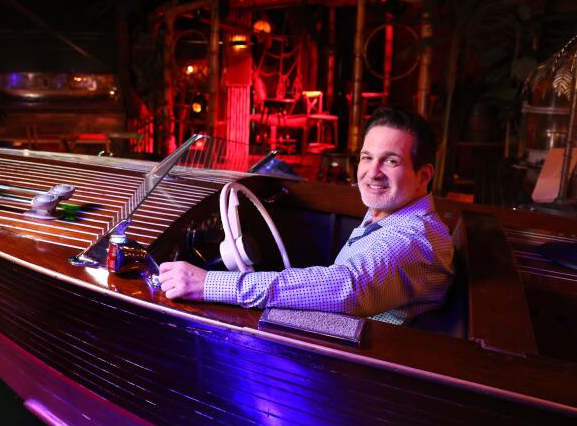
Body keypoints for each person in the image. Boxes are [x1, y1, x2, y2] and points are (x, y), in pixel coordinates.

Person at [158, 107, 454, 325]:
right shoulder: (391, 209)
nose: (372, 173)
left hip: (369, 368)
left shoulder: (413, 238)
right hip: (353, 338)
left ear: (423, 175)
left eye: (391, 161)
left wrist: (209, 283)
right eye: (366, 158)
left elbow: (346, 288)